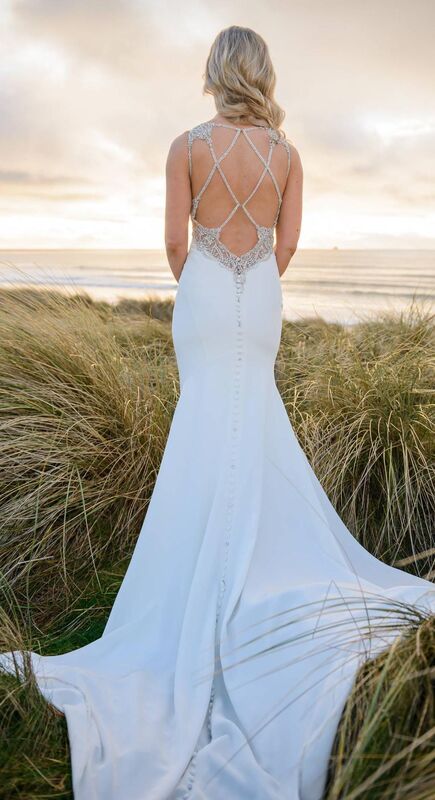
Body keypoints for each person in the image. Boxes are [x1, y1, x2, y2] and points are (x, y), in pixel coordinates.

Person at [1, 24, 434, 800]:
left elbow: (175, 243)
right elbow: (285, 246)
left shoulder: (186, 145)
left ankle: (199, 563)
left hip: (204, 292)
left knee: (205, 420)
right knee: (252, 414)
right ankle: (258, 558)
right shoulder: (289, 157)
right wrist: (251, 282)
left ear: (214, 72)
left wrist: (207, 280)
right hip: (260, 294)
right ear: (262, 75)